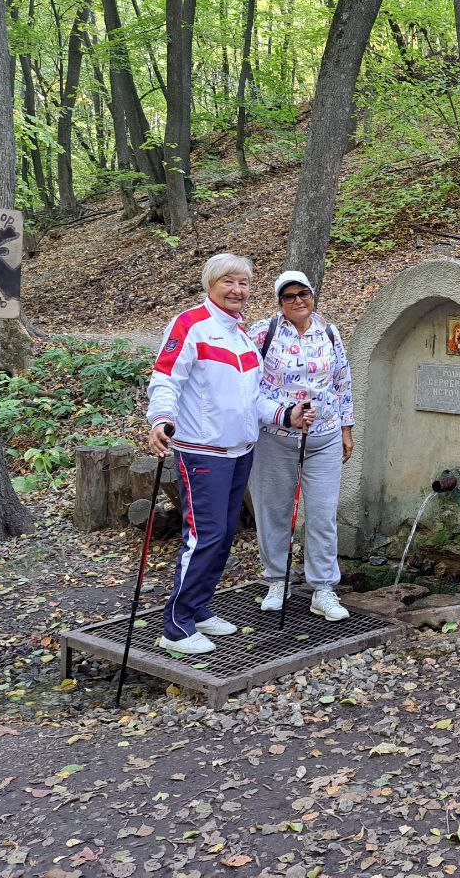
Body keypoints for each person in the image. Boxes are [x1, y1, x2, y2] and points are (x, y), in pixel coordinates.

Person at [146, 253, 261, 655]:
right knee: (205, 535)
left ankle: (197, 608)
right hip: (202, 452)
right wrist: (161, 418)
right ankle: (175, 627)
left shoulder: (242, 335)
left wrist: (287, 414)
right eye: (229, 282)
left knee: (225, 534)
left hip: (240, 451)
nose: (238, 290)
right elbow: (166, 377)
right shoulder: (191, 324)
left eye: (244, 283)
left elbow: (253, 400)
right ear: (210, 284)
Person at [249, 270, 355, 622]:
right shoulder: (264, 333)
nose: (298, 301)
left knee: (323, 514)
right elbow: (249, 387)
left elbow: (342, 381)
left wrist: (346, 427)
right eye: (289, 296)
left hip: (322, 437)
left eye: (303, 294)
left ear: (313, 296)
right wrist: (282, 414)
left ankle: (323, 588)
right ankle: (277, 579)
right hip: (275, 438)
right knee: (274, 511)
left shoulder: (329, 331)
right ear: (279, 302)